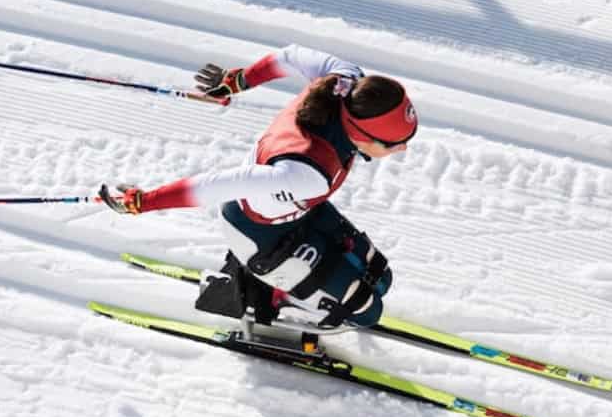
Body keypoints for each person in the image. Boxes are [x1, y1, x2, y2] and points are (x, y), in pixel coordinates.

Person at [99, 45, 417, 330]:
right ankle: (274, 296)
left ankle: (295, 282)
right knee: (367, 311)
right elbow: (219, 186)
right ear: (360, 135)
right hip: (259, 236)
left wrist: (239, 81)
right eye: (394, 144)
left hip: (298, 213)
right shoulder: (305, 173)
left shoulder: (346, 82)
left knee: (381, 277)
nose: (401, 150)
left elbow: (289, 55)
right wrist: (144, 202)